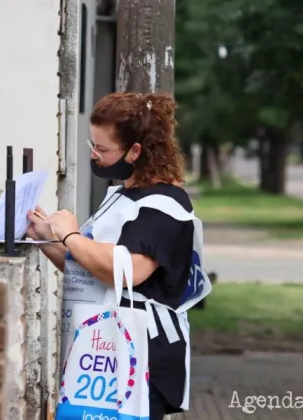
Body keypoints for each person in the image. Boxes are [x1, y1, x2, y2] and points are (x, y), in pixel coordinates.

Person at [26, 92, 211, 419]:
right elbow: (91, 271)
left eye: (103, 148)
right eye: (92, 145)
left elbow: (128, 272)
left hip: (141, 355)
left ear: (135, 151)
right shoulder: (124, 194)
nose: (94, 156)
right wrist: (47, 241)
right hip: (105, 351)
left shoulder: (164, 205)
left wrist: (69, 234)